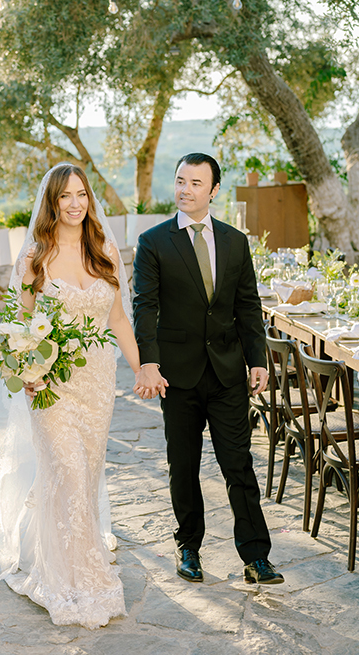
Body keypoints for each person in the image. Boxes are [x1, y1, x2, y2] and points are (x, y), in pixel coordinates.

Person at [0, 163, 142, 629]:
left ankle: (75, 558)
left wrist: (140, 365)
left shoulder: (104, 250)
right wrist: (25, 368)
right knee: (66, 468)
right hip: (50, 384)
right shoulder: (35, 258)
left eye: (82, 194)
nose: (75, 203)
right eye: (65, 196)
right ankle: (67, 577)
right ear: (52, 202)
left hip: (97, 382)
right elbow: (20, 327)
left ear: (90, 200)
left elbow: (119, 320)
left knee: (83, 476)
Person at [132, 152, 284, 585]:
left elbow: (247, 305)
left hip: (227, 372)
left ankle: (256, 557)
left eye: (196, 183)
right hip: (176, 375)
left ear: (214, 191)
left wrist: (257, 359)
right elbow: (145, 306)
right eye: (180, 180)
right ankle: (189, 548)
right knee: (184, 465)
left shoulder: (236, 242)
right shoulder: (154, 241)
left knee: (238, 464)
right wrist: (149, 361)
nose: (185, 189)